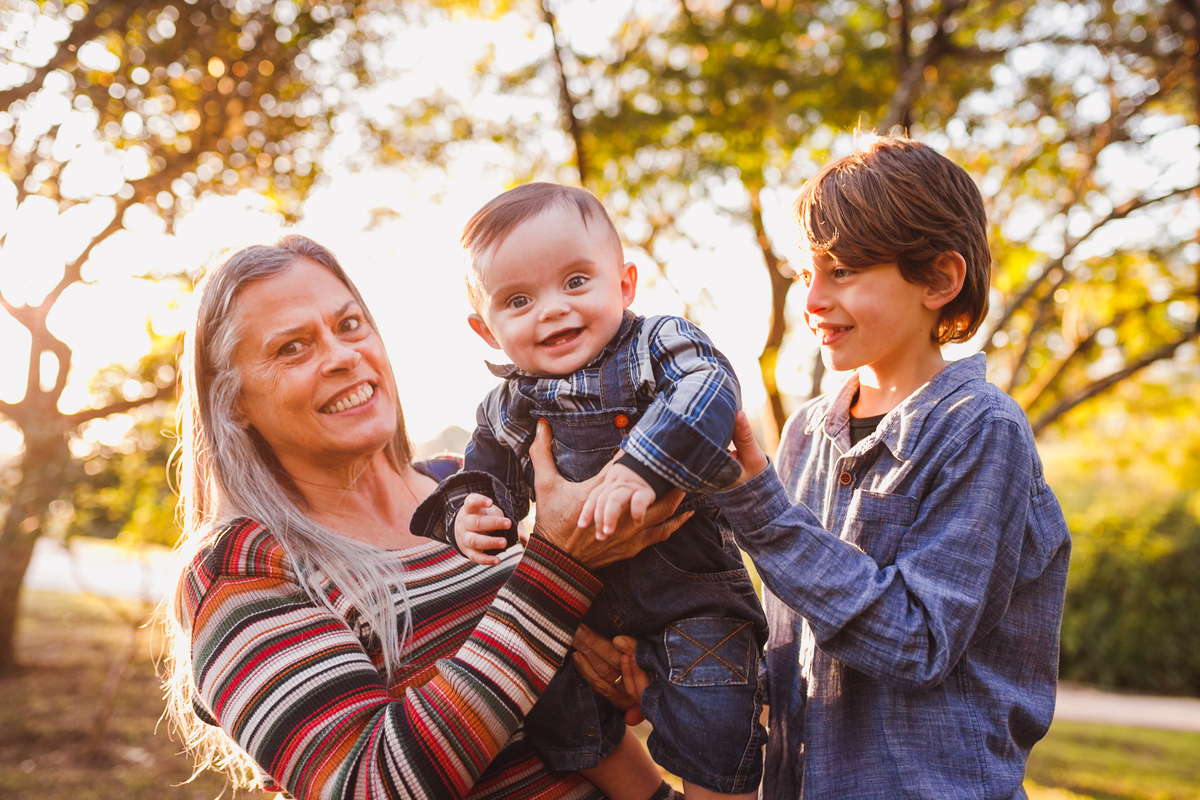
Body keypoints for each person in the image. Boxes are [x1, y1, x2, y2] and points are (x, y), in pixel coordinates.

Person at [160, 234, 691, 800]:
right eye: (292, 347)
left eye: (349, 325)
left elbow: (549, 651)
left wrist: (629, 667)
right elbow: (367, 786)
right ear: (233, 400)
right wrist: (559, 569)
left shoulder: (462, 487)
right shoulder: (243, 570)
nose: (343, 356)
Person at [689, 137, 1070, 798]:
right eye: (806, 271)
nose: (812, 299)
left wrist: (760, 510)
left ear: (940, 280)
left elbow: (918, 641)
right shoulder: (807, 432)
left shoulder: (980, 429)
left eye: (841, 271)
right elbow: (791, 640)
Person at [411, 183, 767, 800]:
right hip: (583, 614)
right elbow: (482, 480)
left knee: (717, 717)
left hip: (692, 598)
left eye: (576, 282)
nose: (552, 309)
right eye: (518, 300)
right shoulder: (505, 407)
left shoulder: (657, 346)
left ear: (624, 284)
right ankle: (634, 788)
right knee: (547, 705)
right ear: (486, 330)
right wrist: (465, 515)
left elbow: (709, 388)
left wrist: (643, 463)